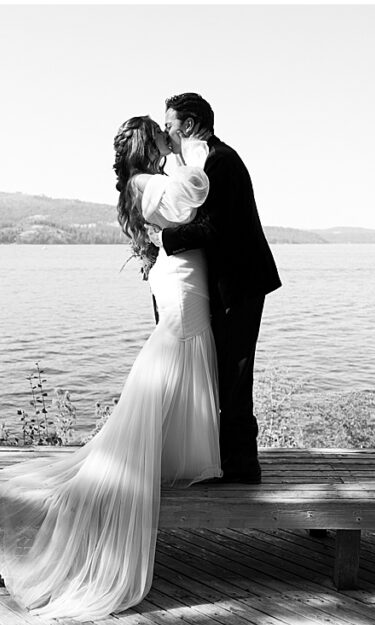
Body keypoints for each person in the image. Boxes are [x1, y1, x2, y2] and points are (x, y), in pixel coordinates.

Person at [0, 115, 221, 621]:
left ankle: (171, 457)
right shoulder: (147, 181)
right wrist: (186, 152)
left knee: (183, 354)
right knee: (175, 353)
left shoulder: (142, 183)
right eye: (160, 135)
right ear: (149, 144)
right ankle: (132, 467)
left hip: (183, 277)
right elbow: (195, 192)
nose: (166, 140)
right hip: (181, 283)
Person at [149, 92, 282, 485]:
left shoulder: (221, 162)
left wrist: (164, 240)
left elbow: (213, 229)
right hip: (230, 284)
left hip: (239, 285)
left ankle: (243, 465)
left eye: (170, 126)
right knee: (226, 371)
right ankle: (229, 459)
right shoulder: (209, 161)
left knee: (235, 373)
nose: (167, 133)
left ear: (188, 125)